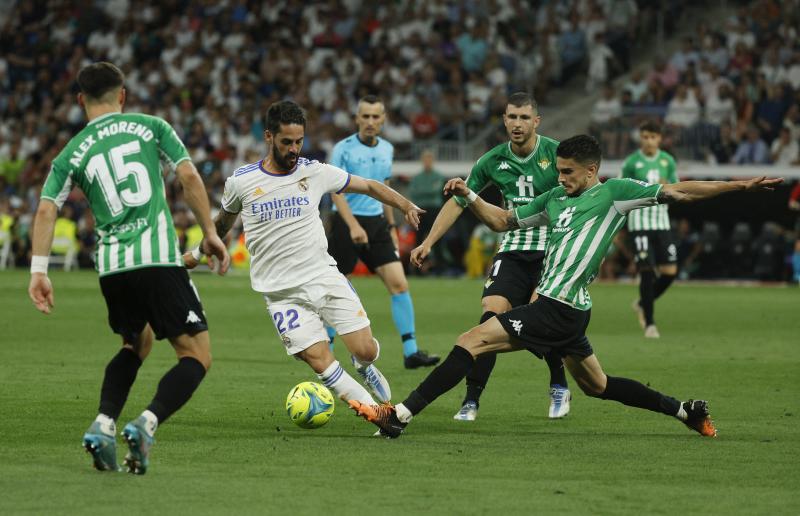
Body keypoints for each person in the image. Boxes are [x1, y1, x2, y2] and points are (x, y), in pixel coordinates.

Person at [349, 134, 782, 439]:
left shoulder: (616, 193)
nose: (561, 178)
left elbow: (682, 191)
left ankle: (400, 416)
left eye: (569, 172)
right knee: (598, 385)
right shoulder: (554, 199)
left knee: (472, 339)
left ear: (592, 171)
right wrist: (470, 194)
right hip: (570, 309)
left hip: (557, 307)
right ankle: (686, 411)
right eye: (559, 171)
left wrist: (741, 185)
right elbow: (503, 221)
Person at [27, 62, 230, 474]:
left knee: (136, 344)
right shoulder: (151, 126)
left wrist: (38, 270)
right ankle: (147, 423)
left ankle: (103, 425)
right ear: (122, 95)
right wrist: (209, 231)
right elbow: (188, 175)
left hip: (112, 268)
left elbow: (48, 208)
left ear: (81, 100)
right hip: (156, 259)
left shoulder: (71, 152)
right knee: (197, 355)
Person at [184, 100, 425, 414]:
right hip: (281, 293)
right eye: (287, 142)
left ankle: (362, 363)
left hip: (323, 277)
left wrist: (404, 205)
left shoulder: (315, 172)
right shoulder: (241, 182)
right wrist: (197, 253)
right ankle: (378, 413)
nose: (294, 149)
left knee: (366, 350)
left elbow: (367, 186)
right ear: (269, 137)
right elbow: (219, 227)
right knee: (319, 359)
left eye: (299, 141)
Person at [411, 92, 570, 421]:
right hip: (512, 248)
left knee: (544, 317)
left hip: (551, 250)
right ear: (504, 119)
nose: (517, 124)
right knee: (490, 317)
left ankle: (558, 383)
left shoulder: (556, 154)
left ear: (536, 121)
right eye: (512, 117)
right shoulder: (492, 161)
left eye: (524, 118)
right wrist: (428, 241)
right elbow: (459, 201)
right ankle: (471, 400)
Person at [326, 95, 439, 369]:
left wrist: (390, 226)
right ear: (357, 119)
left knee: (399, 283)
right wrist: (352, 225)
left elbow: (385, 189)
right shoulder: (343, 149)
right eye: (365, 116)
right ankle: (326, 352)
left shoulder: (387, 149)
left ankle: (411, 352)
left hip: (376, 223)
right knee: (335, 289)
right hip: (345, 222)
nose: (370, 122)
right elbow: (335, 191)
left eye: (376, 117)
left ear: (383, 119)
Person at [620, 121, 679, 338]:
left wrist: (668, 188)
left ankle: (643, 302)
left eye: (652, 137)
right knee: (646, 271)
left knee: (670, 272)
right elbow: (621, 190)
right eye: (645, 137)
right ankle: (650, 324)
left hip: (661, 223)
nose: (649, 141)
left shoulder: (667, 160)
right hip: (640, 224)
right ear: (641, 138)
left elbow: (677, 189)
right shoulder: (632, 162)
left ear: (659, 139)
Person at [407, 150, 447, 273]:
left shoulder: (439, 176)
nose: (427, 162)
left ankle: (440, 269)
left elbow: (435, 191)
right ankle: (417, 269)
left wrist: (423, 191)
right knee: (418, 240)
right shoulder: (417, 178)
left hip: (435, 210)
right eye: (425, 159)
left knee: (437, 239)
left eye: (429, 159)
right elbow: (414, 193)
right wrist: (428, 191)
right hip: (420, 211)